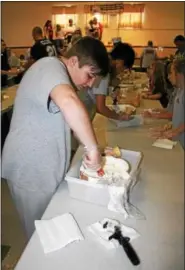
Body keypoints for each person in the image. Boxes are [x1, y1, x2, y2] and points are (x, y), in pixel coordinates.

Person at [2, 36, 110, 239]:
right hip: (30, 171)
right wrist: (92, 149)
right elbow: (69, 102)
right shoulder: (48, 67)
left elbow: (69, 117)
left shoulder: (60, 80)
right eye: (90, 75)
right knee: (39, 238)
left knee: (49, 231)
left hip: (45, 170)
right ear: (73, 62)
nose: (91, 83)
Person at [79, 42, 136, 121]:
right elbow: (100, 107)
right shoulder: (104, 72)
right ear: (120, 61)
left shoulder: (102, 63)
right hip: (81, 112)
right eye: (124, 67)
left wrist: (115, 87)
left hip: (81, 109)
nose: (123, 70)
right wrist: (119, 117)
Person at [150, 58, 185, 149]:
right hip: (177, 140)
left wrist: (175, 131)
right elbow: (178, 116)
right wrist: (168, 127)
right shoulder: (179, 90)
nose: (168, 76)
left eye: (172, 73)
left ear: (179, 75)